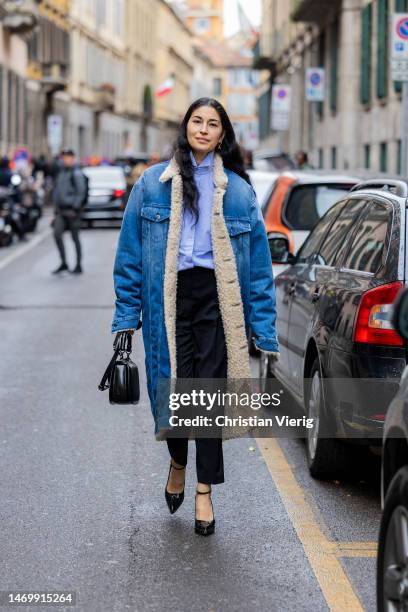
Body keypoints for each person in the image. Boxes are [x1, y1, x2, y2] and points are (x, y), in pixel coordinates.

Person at [111, 97, 279, 536]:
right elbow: (129, 256)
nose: (203, 129)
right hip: (168, 300)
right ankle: (177, 465)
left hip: (217, 302)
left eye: (213, 123)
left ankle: (204, 492)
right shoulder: (151, 184)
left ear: (223, 134)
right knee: (176, 394)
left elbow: (259, 269)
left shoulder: (240, 192)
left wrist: (264, 331)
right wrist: (126, 317)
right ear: (185, 126)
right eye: (196, 121)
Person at [51, 148, 87, 275]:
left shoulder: (76, 173)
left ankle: (78, 264)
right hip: (61, 211)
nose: (65, 159)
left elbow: (81, 192)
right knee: (57, 234)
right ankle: (64, 263)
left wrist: (75, 208)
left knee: (75, 237)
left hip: (72, 211)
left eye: (67, 157)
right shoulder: (62, 173)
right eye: (63, 157)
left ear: (72, 158)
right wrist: (55, 209)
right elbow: (57, 191)